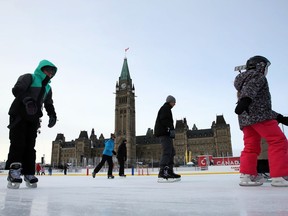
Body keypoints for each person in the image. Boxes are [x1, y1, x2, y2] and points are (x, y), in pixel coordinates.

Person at [234, 55, 288, 187]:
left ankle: (247, 175)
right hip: (260, 117)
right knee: (278, 141)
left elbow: (256, 102)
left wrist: (279, 117)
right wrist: (245, 100)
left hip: (245, 119)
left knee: (251, 146)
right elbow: (252, 94)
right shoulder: (257, 76)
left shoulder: (243, 80)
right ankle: (280, 175)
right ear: (260, 66)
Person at [5, 59, 57, 189]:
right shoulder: (29, 77)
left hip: (33, 118)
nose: (50, 73)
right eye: (48, 70)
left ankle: (28, 172)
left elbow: (49, 103)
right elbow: (17, 90)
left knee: (30, 146)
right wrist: (28, 101)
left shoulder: (48, 87)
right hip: (19, 114)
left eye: (52, 72)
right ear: (41, 68)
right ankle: (14, 171)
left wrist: (52, 115)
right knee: (18, 143)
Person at [154, 95, 181, 182]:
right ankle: (162, 172)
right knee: (167, 151)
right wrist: (171, 128)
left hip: (166, 133)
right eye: (174, 102)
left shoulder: (167, 108)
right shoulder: (165, 108)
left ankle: (169, 170)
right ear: (170, 101)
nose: (175, 104)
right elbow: (164, 119)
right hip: (164, 133)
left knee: (171, 152)